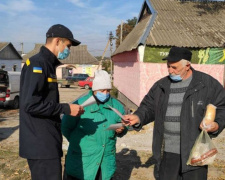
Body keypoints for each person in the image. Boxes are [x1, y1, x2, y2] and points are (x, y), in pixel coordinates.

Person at [123, 46, 225, 180]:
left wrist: (216, 125)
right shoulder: (161, 85)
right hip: (167, 152)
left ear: (187, 65)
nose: (170, 71)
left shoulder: (207, 84)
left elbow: (222, 107)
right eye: (168, 66)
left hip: (195, 152)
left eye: (175, 67)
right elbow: (148, 106)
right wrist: (138, 116)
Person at [19, 24, 84, 180]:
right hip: (41, 144)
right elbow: (31, 104)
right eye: (68, 45)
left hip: (46, 141)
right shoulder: (38, 64)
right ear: (57, 41)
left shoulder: (47, 64)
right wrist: (65, 109)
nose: (69, 50)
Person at [61, 70, 128, 180]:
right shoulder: (80, 105)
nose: (105, 93)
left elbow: (124, 125)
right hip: (83, 160)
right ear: (94, 90)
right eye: (102, 90)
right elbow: (66, 128)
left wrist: (122, 129)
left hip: (105, 162)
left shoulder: (116, 106)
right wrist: (79, 142)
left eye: (108, 90)